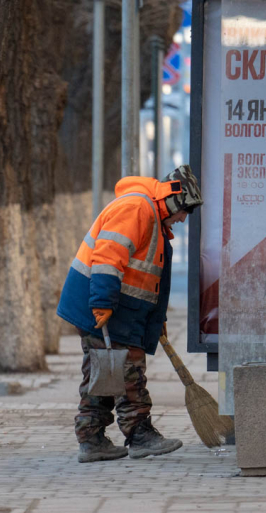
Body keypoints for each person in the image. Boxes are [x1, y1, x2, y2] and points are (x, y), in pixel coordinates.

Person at [57, 165, 203, 463]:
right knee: (128, 372)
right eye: (185, 211)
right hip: (105, 305)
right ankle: (139, 435)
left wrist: (155, 319)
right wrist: (102, 303)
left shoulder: (152, 216)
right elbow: (108, 256)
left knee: (104, 372)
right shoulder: (137, 207)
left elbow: (148, 279)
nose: (184, 218)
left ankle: (92, 438)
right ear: (175, 200)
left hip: (118, 308)